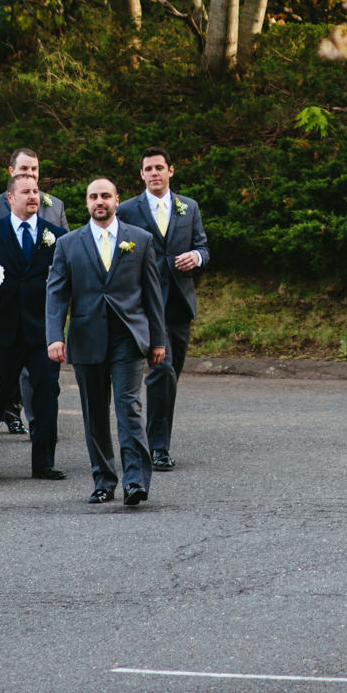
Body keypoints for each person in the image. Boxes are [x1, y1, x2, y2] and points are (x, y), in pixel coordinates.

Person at [46, 178, 165, 507]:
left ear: (117, 200)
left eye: (105, 196)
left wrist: (158, 340)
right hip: (86, 338)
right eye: (93, 197)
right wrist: (55, 336)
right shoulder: (68, 244)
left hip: (129, 336)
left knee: (129, 408)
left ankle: (135, 481)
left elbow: (153, 295)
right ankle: (103, 479)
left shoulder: (139, 240)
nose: (100, 201)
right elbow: (56, 294)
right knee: (94, 413)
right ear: (86, 202)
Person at [120, 147, 210, 472]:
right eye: (148, 169)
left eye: (160, 167)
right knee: (162, 370)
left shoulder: (189, 207)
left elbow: (203, 246)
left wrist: (196, 258)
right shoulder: (127, 210)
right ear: (141, 174)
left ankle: (155, 436)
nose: (154, 173)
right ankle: (158, 448)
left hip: (178, 305)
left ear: (171, 171)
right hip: (145, 304)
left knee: (171, 376)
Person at [0, 176, 66, 473]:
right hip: (2, 327)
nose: (32, 196)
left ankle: (44, 464)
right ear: (10, 198)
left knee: (46, 394)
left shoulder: (56, 234)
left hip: (42, 329)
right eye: (25, 192)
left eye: (36, 191)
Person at [0, 147, 66, 228]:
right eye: (24, 168)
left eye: (34, 169)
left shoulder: (57, 206)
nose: (30, 173)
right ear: (12, 171)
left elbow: (65, 244)